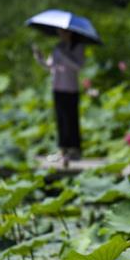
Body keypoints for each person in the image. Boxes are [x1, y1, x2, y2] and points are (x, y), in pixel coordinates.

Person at [33, 29, 86, 163]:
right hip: (57, 87)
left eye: (63, 32)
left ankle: (74, 149)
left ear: (70, 33)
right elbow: (50, 66)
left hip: (71, 88)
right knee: (61, 119)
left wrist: (64, 56)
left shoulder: (77, 47)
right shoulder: (58, 47)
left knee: (71, 119)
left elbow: (78, 66)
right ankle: (63, 149)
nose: (60, 35)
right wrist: (39, 58)